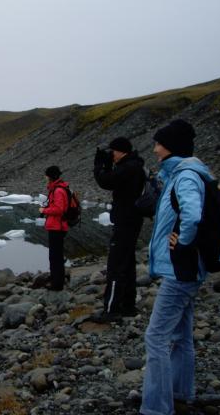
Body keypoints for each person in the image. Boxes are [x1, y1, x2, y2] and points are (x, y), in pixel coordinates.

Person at [140, 120, 210, 415]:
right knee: (181, 335)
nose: (154, 148)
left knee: (155, 337)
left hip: (180, 271)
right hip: (186, 270)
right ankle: (181, 392)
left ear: (170, 146)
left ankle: (156, 408)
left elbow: (192, 216)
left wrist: (182, 244)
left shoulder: (185, 176)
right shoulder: (182, 174)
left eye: (158, 143)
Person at [93, 137, 146, 321]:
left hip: (125, 221)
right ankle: (128, 305)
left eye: (113, 151)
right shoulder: (135, 165)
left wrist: (100, 165)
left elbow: (106, 181)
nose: (112, 155)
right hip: (132, 220)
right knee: (127, 263)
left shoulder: (128, 167)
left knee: (115, 265)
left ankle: (112, 309)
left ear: (121, 151)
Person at [39, 165, 69, 291]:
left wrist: (44, 210)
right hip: (57, 226)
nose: (45, 178)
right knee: (56, 255)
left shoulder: (58, 191)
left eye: (46, 175)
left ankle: (57, 284)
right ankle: (56, 279)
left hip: (57, 227)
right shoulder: (58, 188)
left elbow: (59, 209)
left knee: (55, 256)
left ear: (50, 176)